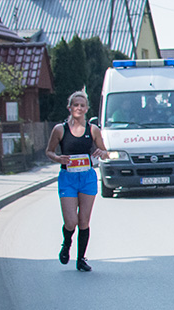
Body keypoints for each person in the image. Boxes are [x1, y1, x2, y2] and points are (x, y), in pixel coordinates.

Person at [46, 90, 109, 272]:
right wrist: (58, 158)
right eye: (76, 105)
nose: (79, 108)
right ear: (70, 107)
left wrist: (102, 153)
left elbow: (105, 152)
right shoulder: (60, 129)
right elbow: (49, 151)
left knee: (84, 221)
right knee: (71, 221)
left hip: (87, 177)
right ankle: (66, 243)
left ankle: (81, 259)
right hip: (68, 178)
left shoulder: (93, 130)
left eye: (82, 105)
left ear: (87, 109)